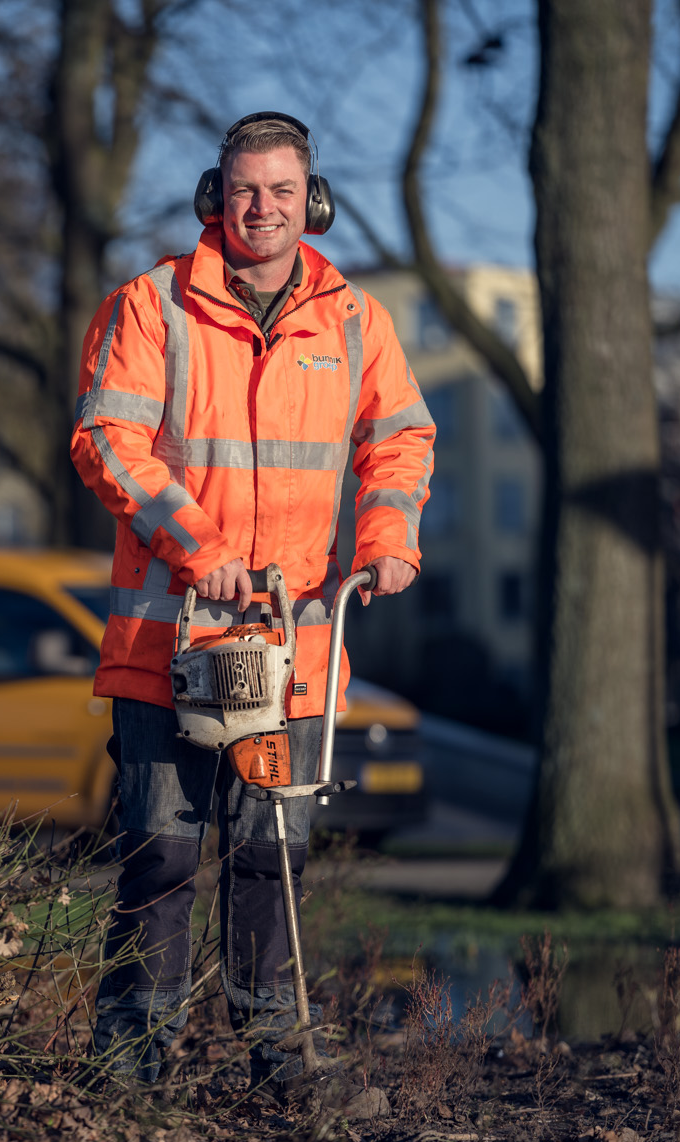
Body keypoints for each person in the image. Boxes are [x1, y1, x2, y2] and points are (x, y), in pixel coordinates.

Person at [70, 112, 434, 1085]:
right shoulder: (151, 308)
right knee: (160, 857)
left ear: (310, 201)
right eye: (244, 190)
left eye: (281, 190)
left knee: (273, 858)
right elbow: (108, 440)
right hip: (167, 655)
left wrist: (389, 539)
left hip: (293, 660)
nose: (261, 209)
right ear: (213, 197)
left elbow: (400, 439)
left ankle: (276, 1056)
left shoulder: (354, 320)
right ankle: (129, 1066)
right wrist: (200, 549)